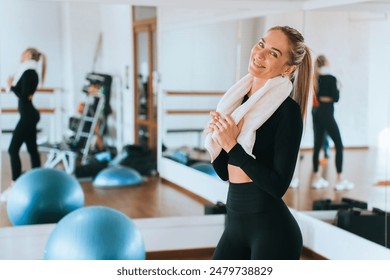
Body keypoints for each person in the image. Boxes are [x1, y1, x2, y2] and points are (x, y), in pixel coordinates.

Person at [203, 26, 312, 260]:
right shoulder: (239, 102)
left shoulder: (287, 112)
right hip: (235, 226)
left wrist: (232, 145)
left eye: (274, 53)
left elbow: (278, 185)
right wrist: (220, 141)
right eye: (261, 44)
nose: (260, 54)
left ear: (288, 68)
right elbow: (225, 172)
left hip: (273, 233)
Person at [0, 48, 46, 202]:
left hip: (28, 116)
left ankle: (14, 186)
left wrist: (10, 86)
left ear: (28, 55)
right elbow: (25, 94)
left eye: (23, 52)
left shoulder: (29, 72)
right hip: (29, 116)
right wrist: (12, 86)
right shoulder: (29, 71)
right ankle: (39, 183)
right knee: (32, 150)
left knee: (13, 149)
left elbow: (24, 96)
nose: (20, 55)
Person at [311, 55, 354, 190]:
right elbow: (335, 98)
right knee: (339, 145)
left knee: (317, 145)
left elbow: (316, 97)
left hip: (316, 112)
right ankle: (339, 179)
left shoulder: (315, 78)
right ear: (326, 64)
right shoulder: (332, 78)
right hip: (326, 113)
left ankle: (316, 178)